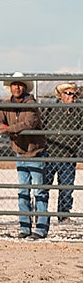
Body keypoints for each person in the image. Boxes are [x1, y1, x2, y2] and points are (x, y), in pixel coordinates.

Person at [0, 72, 48, 240]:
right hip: (20, 151)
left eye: (20, 85)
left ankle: (41, 229)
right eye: (15, 84)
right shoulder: (6, 104)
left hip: (35, 152)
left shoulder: (31, 104)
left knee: (39, 191)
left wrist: (6, 129)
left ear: (24, 87)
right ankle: (25, 227)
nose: (17, 87)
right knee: (24, 190)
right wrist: (0, 126)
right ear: (11, 87)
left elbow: (29, 123)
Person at [43, 82, 82, 223]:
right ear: (61, 95)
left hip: (68, 155)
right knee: (44, 186)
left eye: (75, 94)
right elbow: (42, 124)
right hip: (50, 153)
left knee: (66, 188)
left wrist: (77, 149)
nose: (72, 97)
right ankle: (41, 214)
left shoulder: (79, 111)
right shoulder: (50, 108)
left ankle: (63, 214)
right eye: (69, 93)